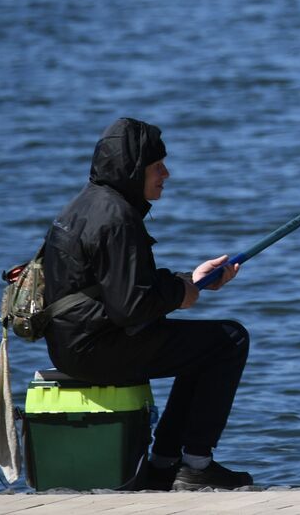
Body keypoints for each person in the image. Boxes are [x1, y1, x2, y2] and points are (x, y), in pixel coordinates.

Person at [43, 117, 252, 491]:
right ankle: (194, 465)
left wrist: (191, 280)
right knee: (229, 340)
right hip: (94, 347)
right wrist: (179, 295)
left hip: (72, 342)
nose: (166, 174)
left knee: (202, 346)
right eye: (157, 166)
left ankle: (164, 464)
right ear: (133, 169)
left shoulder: (88, 204)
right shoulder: (118, 218)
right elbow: (131, 307)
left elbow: (116, 287)